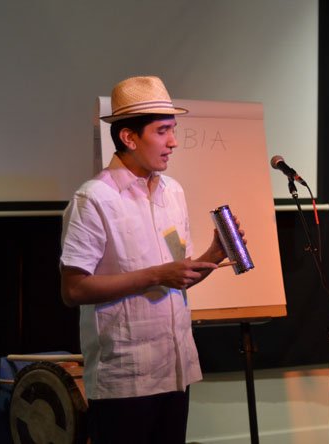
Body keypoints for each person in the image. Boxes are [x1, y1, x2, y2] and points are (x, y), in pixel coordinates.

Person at [60, 76, 239, 444]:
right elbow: (73, 289)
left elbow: (175, 276)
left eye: (173, 130)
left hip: (174, 368)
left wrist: (211, 256)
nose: (173, 142)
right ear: (129, 137)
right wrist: (157, 273)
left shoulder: (173, 192)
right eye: (162, 131)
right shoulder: (93, 200)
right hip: (124, 378)